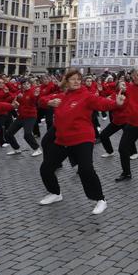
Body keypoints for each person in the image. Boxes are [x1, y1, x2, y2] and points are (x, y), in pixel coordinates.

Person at [38, 69, 122, 215]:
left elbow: (102, 103)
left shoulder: (86, 96)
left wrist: (116, 103)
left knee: (86, 170)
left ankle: (100, 200)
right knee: (46, 168)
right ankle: (55, 193)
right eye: (73, 79)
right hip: (63, 140)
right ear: (66, 81)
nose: (76, 81)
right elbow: (41, 100)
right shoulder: (62, 96)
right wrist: (50, 102)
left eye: (78, 79)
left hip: (82, 139)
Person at [6, 79, 42, 156]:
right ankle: (16, 149)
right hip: (21, 116)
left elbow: (35, 99)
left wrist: (36, 95)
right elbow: (14, 101)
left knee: (27, 134)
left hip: (30, 117)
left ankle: (37, 149)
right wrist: (17, 99)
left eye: (28, 84)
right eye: (24, 84)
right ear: (21, 85)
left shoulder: (32, 92)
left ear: (30, 85)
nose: (26, 85)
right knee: (8, 133)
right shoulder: (20, 93)